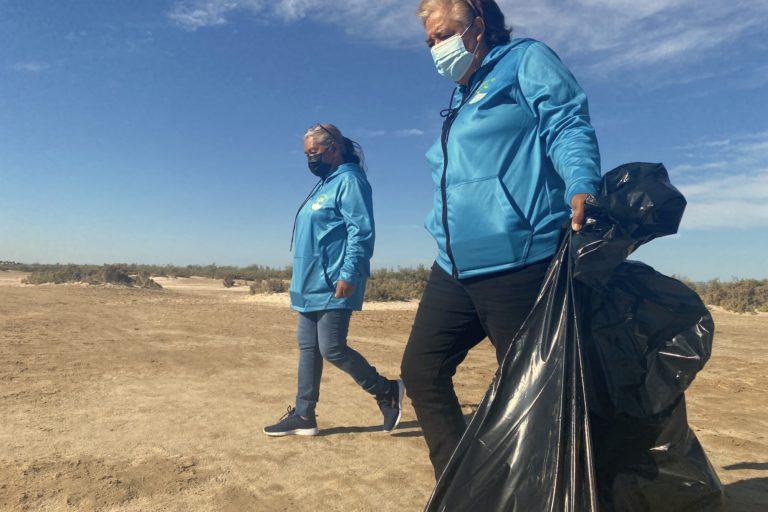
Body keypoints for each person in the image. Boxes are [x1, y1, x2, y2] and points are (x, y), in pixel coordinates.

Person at [400, 0, 602, 477]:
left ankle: (548, 492)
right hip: (453, 266)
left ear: (478, 25)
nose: (437, 47)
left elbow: (566, 121)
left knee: (531, 391)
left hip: (519, 259)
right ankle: (462, 488)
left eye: (444, 33)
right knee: (422, 372)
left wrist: (581, 183)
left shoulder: (525, 59)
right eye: (430, 41)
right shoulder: (462, 96)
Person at [264, 123, 404, 437]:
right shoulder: (324, 185)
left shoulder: (351, 181)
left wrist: (350, 273)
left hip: (333, 282)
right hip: (308, 284)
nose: (310, 159)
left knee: (332, 348)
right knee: (308, 349)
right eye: (306, 154)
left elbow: (361, 231)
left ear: (334, 148)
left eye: (314, 152)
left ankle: (386, 391)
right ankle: (304, 415)